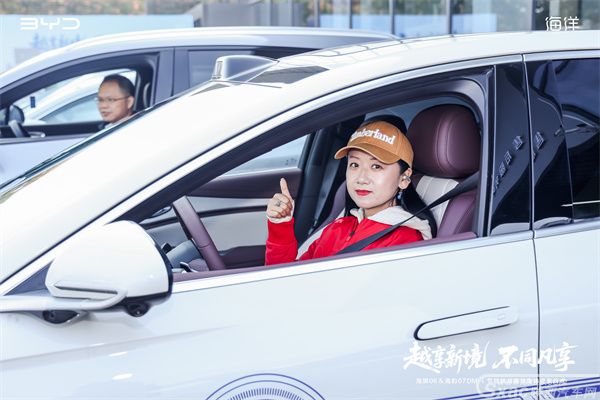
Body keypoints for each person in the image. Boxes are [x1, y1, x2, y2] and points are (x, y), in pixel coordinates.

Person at [265, 119, 437, 265]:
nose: (361, 178)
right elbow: (286, 277)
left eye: (376, 166)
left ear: (404, 178)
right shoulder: (338, 227)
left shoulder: (405, 240)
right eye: (354, 164)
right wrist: (281, 225)